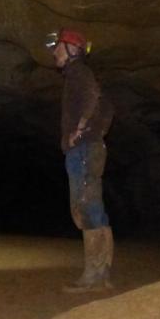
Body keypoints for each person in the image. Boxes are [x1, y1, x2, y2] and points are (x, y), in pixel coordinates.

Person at [46, 28, 114, 292]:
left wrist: (81, 128)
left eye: (57, 47)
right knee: (89, 206)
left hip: (84, 149)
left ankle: (95, 275)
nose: (54, 52)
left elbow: (94, 99)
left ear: (71, 48)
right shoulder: (81, 76)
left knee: (86, 206)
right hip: (87, 147)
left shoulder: (78, 73)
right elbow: (106, 106)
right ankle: (101, 273)